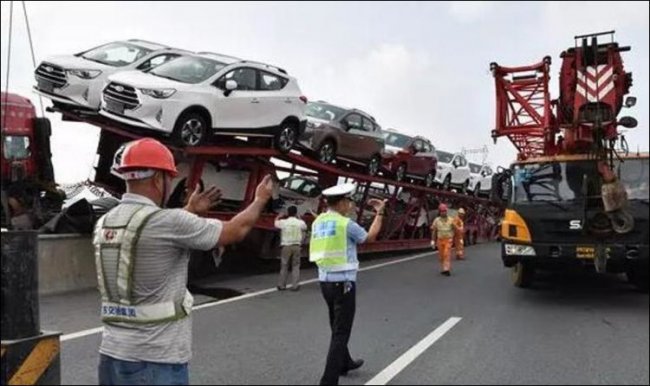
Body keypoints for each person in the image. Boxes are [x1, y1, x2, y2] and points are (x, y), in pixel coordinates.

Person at [93, 138, 274, 385]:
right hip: (155, 359)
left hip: (112, 354)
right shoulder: (168, 221)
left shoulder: (105, 222)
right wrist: (260, 200)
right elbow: (235, 230)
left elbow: (152, 239)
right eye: (169, 178)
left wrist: (189, 210)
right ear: (159, 179)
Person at [309, 183, 386, 385]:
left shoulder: (319, 221)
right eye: (349, 201)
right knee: (341, 332)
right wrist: (380, 214)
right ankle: (329, 380)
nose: (351, 205)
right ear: (342, 202)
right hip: (343, 283)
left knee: (336, 325)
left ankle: (345, 362)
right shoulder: (345, 224)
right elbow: (369, 237)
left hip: (324, 281)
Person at [274, 205, 307, 291]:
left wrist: (278, 216)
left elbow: (275, 223)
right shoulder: (300, 223)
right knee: (296, 266)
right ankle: (295, 285)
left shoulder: (283, 222)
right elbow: (305, 227)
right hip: (296, 246)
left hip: (286, 246)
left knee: (284, 265)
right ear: (296, 213)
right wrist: (299, 218)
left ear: (288, 213)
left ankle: (281, 285)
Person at [430, 203, 456, 276]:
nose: (443, 212)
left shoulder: (451, 220)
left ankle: (446, 269)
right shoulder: (436, 220)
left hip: (448, 240)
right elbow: (434, 231)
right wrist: (432, 240)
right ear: (439, 212)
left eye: (444, 211)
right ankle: (444, 268)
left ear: (446, 211)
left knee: (446, 253)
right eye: (441, 211)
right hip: (440, 240)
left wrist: (454, 238)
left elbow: (455, 229)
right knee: (441, 256)